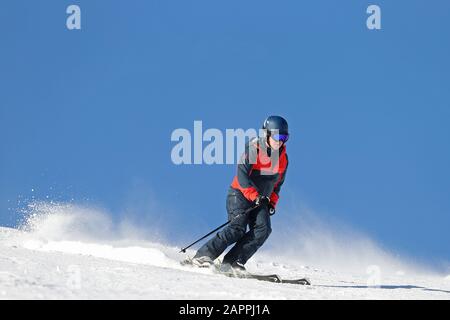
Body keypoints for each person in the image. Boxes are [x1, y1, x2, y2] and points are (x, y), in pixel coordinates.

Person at [191, 115, 290, 273]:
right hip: (240, 195)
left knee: (263, 229)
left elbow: (277, 185)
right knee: (237, 228)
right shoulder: (254, 148)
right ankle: (202, 256)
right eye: (277, 136)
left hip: (261, 200)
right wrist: (254, 196)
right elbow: (242, 176)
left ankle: (232, 262)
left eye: (284, 137)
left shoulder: (283, 159)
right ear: (267, 134)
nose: (281, 141)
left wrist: (271, 202)